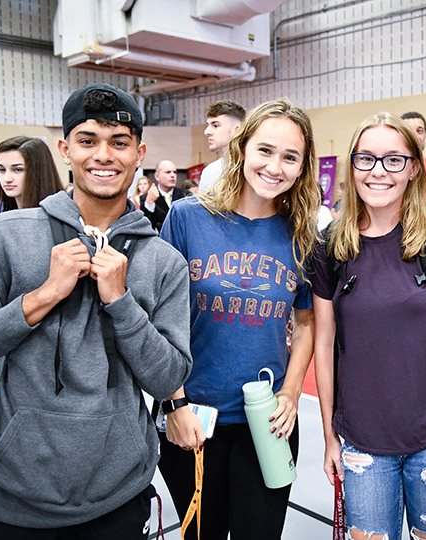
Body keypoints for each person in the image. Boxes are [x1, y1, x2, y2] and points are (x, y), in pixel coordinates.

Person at [0, 82, 192, 539]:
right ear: (65, 149)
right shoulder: (3, 237)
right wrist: (42, 295)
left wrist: (121, 303)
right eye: (88, 141)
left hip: (118, 499)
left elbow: (167, 379)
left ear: (138, 153)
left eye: (119, 143)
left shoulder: (164, 263)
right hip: (9, 501)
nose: (103, 155)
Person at [311, 112, 426, 540]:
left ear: (413, 168)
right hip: (362, 441)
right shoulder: (330, 247)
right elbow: (324, 343)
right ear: (351, 167)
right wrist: (329, 437)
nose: (378, 171)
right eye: (366, 159)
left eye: (393, 159)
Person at [158, 98, 319, 540]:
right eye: (265, 150)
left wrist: (290, 392)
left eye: (290, 157)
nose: (275, 166)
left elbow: (306, 322)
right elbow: (159, 318)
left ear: (302, 168)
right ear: (242, 148)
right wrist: (173, 402)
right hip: (192, 416)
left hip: (267, 423)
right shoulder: (187, 218)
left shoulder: (302, 235)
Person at [0, 136, 62, 216]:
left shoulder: (60, 214)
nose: (7, 179)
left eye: (18, 170)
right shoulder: (2, 215)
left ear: (38, 171)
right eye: (2, 170)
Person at [198, 100, 246, 193]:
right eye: (208, 125)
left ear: (237, 130)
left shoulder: (253, 169)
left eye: (215, 125)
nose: (207, 132)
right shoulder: (209, 172)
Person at [140, 159, 188, 232]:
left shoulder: (185, 195)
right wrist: (149, 204)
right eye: (168, 172)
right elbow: (146, 227)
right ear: (157, 176)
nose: (172, 175)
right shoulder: (146, 198)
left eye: (174, 172)